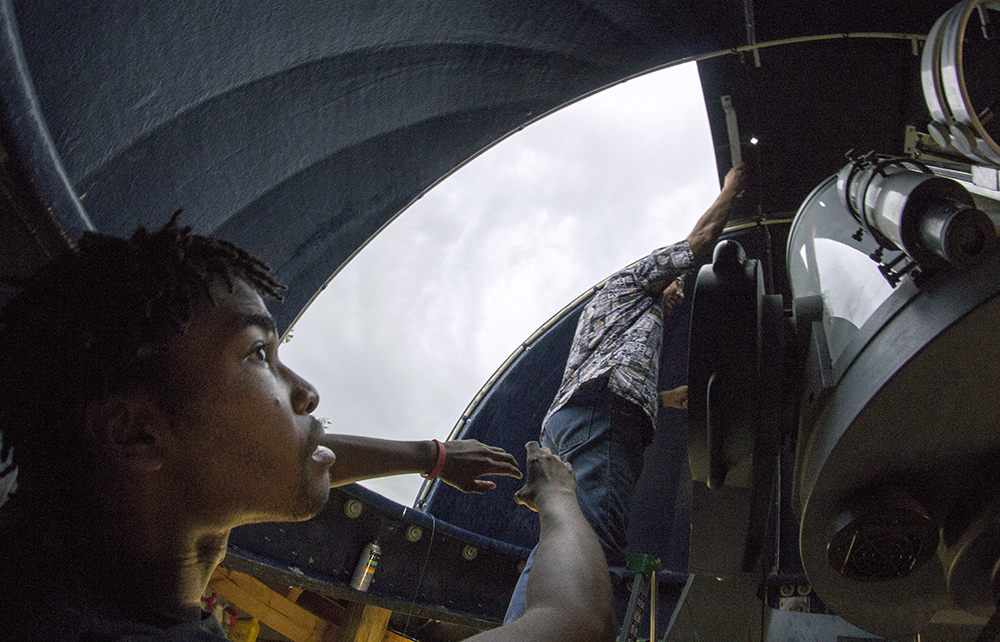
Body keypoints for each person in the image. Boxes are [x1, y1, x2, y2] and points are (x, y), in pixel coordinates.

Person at [0, 214, 616, 642]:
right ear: (137, 435)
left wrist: (428, 457)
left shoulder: (40, 577)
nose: (306, 392)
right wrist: (561, 499)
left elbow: (275, 452)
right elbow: (572, 622)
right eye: (257, 355)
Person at [505, 163, 746, 624]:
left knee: (563, 536)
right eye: (675, 282)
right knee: (588, 541)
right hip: (600, 415)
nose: (679, 290)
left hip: (577, 420)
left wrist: (669, 397)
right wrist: (732, 189)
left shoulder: (613, 319)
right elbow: (699, 242)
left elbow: (614, 371)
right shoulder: (634, 282)